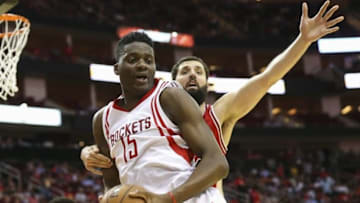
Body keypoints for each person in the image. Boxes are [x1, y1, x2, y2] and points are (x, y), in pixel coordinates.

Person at [81, 0, 344, 196]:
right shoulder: (151, 106)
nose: (192, 75)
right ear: (171, 80)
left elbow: (267, 79)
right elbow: (124, 146)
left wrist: (303, 41)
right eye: (184, 71)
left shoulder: (217, 113)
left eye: (198, 71)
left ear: (208, 82)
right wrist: (88, 152)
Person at [92, 32, 228, 203]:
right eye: (133, 59)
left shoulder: (169, 96)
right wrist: (109, 197)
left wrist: (168, 199)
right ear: (117, 68)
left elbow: (218, 163)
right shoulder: (102, 120)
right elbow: (112, 183)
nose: (142, 65)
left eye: (149, 61)